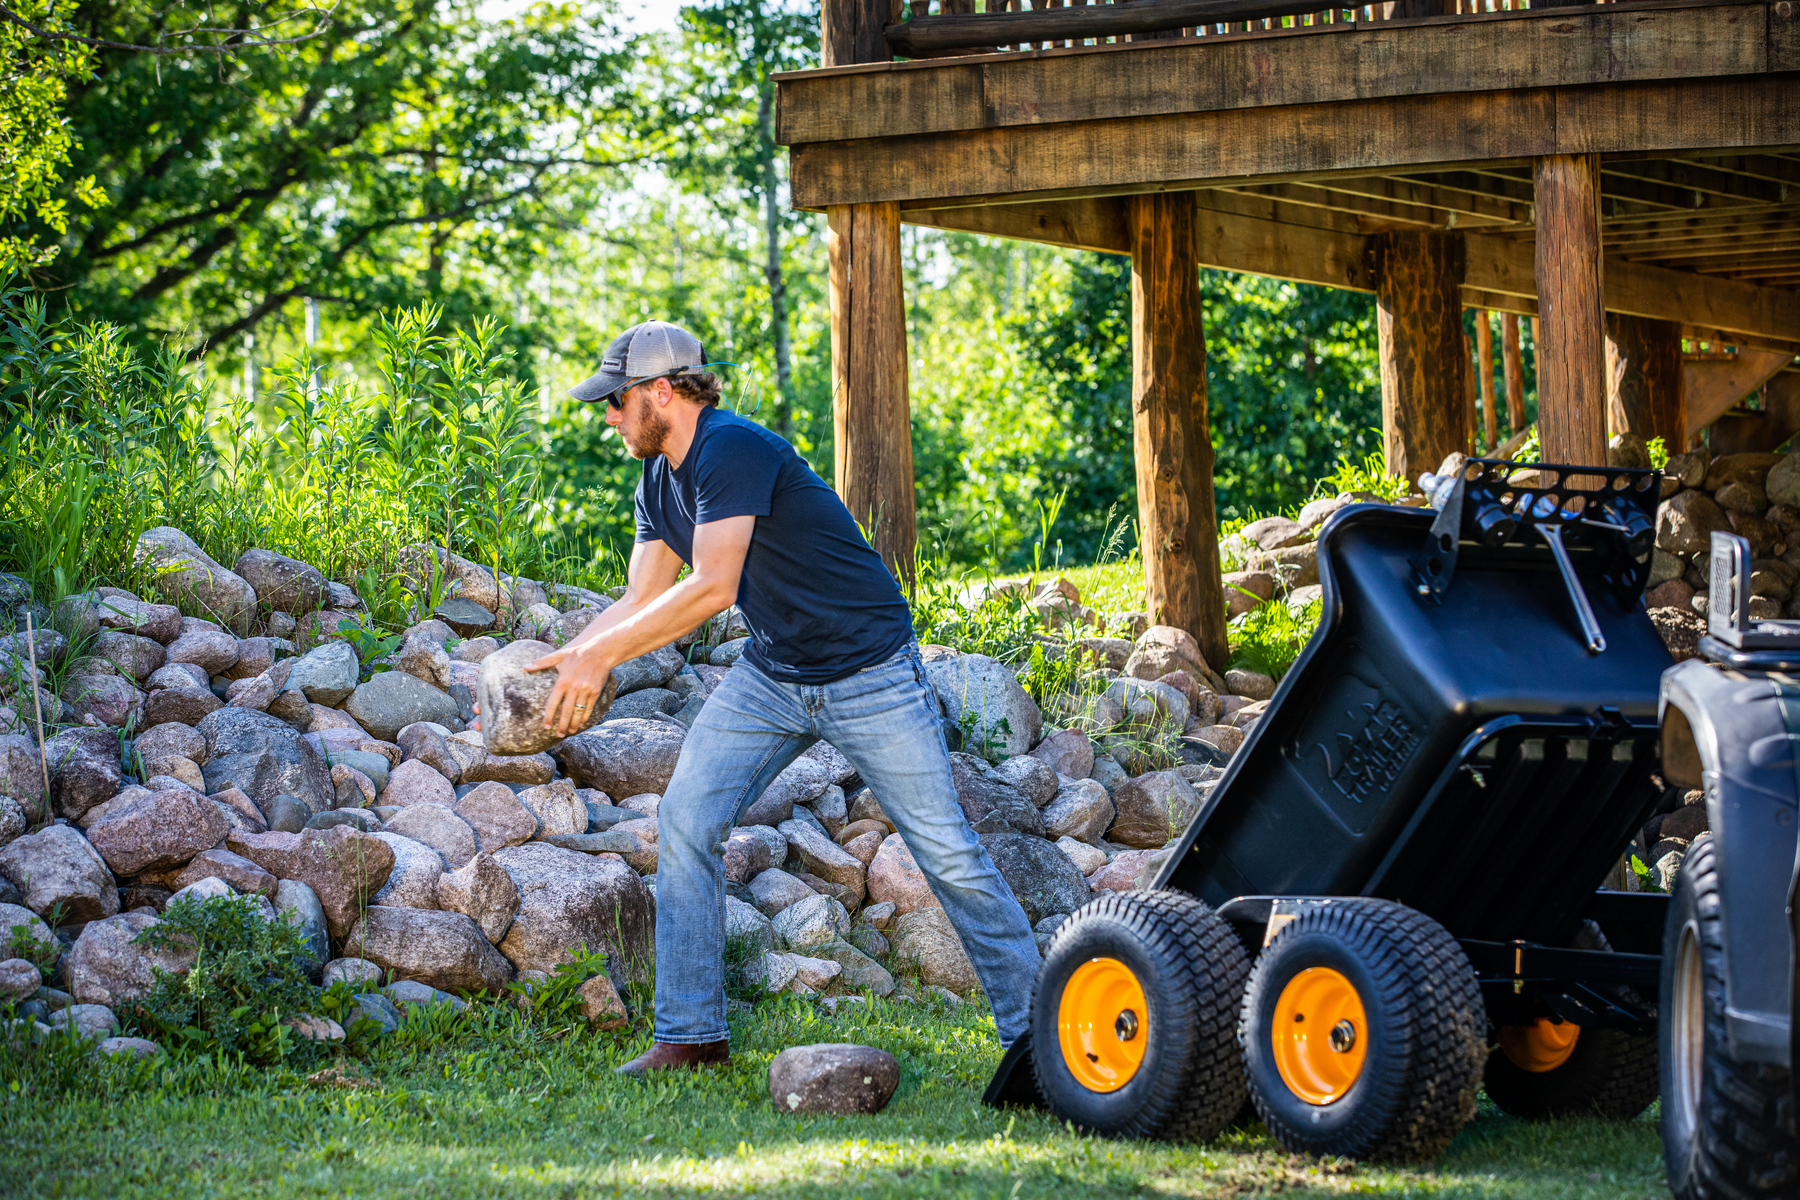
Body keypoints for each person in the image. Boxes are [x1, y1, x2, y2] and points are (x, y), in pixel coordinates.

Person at [528, 320, 1041, 1076]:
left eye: (617, 399)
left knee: (947, 853)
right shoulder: (657, 477)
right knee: (687, 820)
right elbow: (641, 596)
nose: (608, 414)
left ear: (661, 393)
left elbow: (713, 586)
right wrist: (568, 659)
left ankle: (1037, 1043)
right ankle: (692, 1035)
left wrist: (602, 656)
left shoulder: (732, 449)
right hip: (774, 675)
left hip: (869, 671)